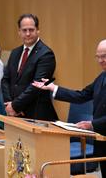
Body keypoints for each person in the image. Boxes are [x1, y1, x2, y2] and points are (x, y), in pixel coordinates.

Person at [32, 39, 106, 177]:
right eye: (98, 56)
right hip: (101, 142)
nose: (101, 60)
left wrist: (92, 124)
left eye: (104, 56)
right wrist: (54, 88)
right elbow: (82, 95)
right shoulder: (102, 77)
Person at [2, 13, 58, 121]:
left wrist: (15, 106)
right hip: (14, 114)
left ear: (38, 30)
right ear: (19, 32)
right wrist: (9, 105)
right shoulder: (15, 53)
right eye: (24, 30)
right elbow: (5, 79)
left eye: (31, 30)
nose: (27, 33)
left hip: (37, 115)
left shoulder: (46, 54)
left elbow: (36, 85)